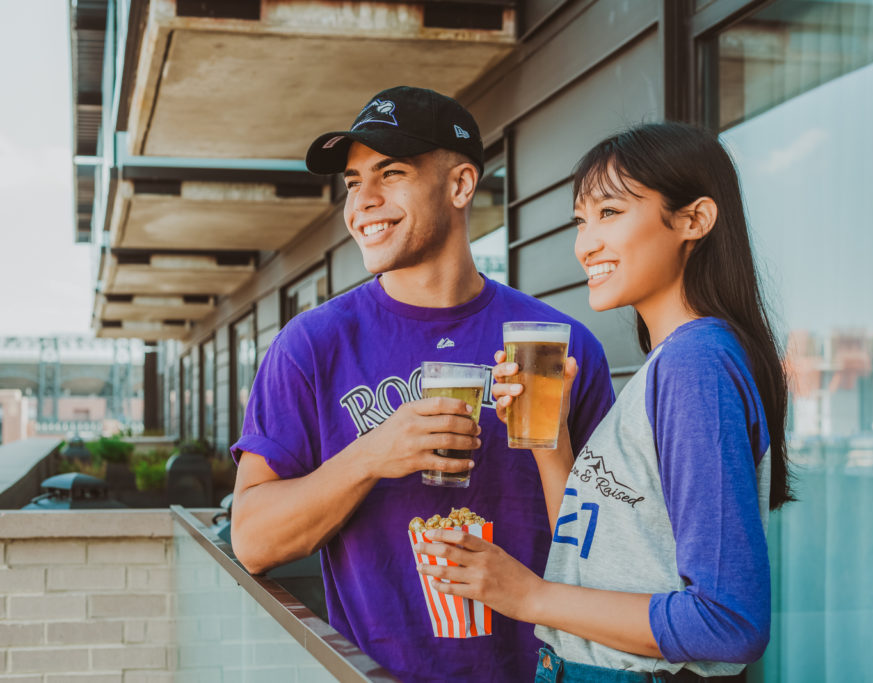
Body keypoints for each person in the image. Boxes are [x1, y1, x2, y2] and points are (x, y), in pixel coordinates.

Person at [228, 86, 614, 683]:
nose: (364, 202)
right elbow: (252, 540)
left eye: (392, 173)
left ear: (460, 186)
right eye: (354, 182)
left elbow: (608, 550)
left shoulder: (557, 346)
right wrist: (372, 455)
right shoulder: (311, 346)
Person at [415, 121, 795, 681]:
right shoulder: (668, 366)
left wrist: (527, 596)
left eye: (610, 213)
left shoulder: (695, 365)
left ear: (694, 220)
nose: (585, 242)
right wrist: (551, 440)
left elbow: (729, 622)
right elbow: (590, 555)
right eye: (581, 220)